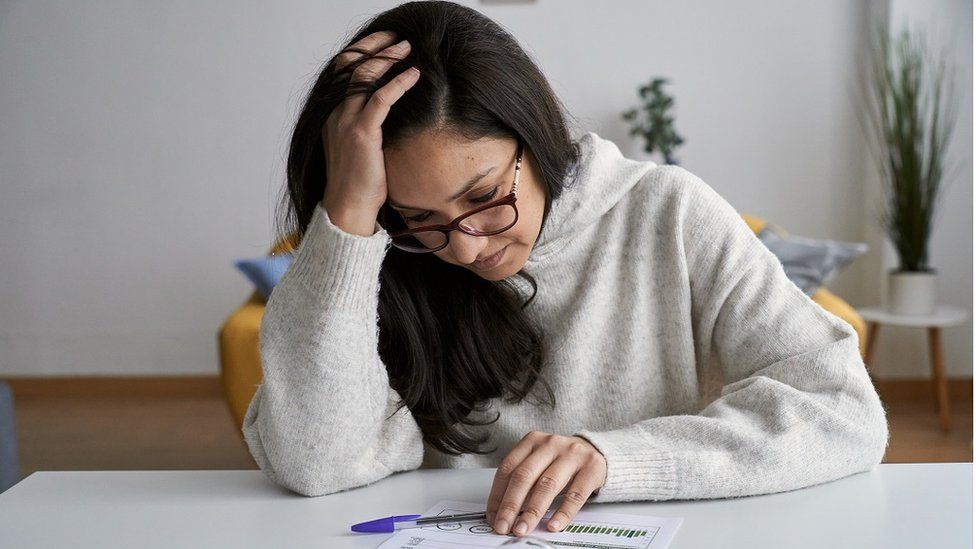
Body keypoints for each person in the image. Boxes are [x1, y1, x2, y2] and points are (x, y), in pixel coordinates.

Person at [242, 0, 889, 539]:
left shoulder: (668, 212)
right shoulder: (380, 251)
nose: (464, 248)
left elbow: (843, 410)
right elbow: (317, 460)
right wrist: (350, 218)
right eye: (421, 217)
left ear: (533, 132)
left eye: (483, 197)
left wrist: (617, 458)